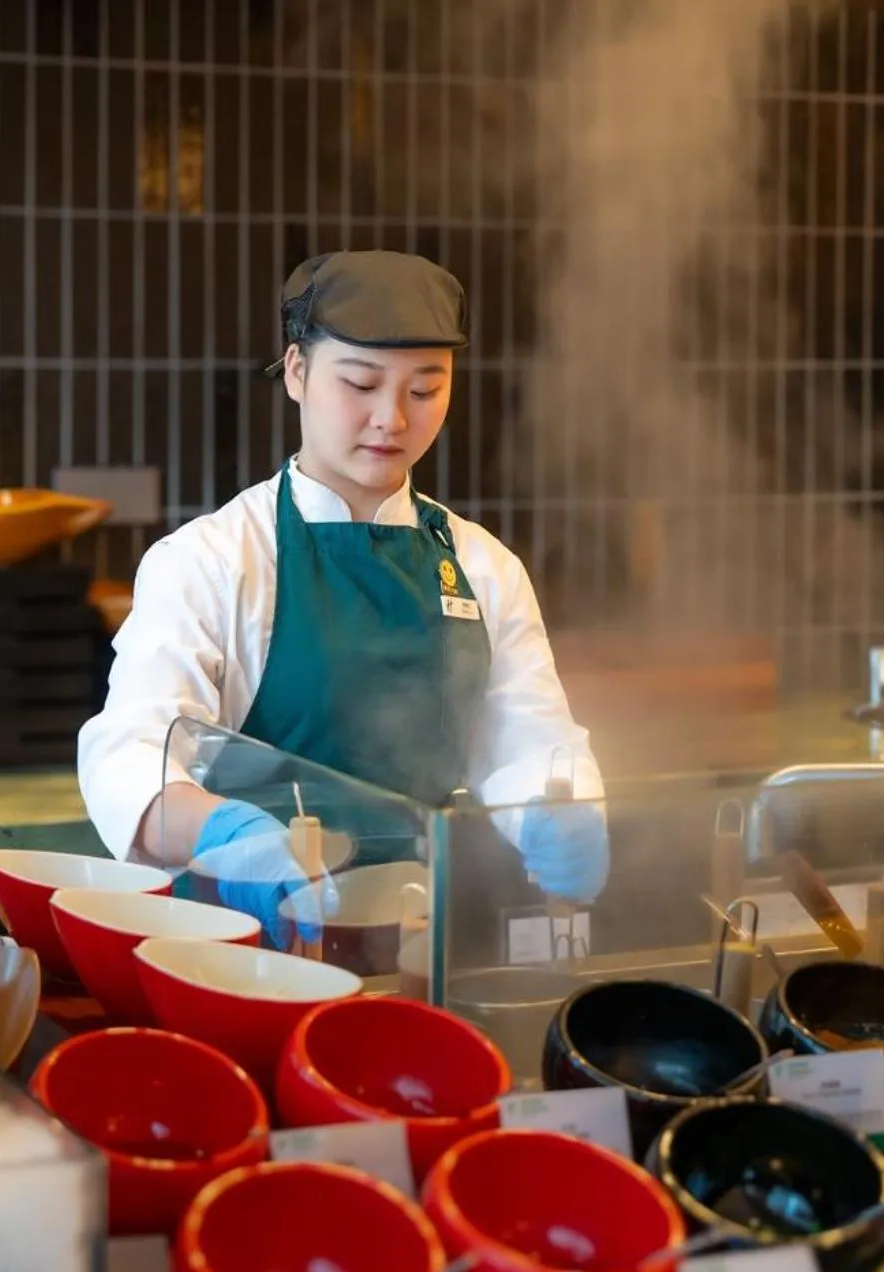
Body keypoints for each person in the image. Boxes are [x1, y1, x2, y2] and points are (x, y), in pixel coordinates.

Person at [77, 250, 609, 947]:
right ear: (296, 372)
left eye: (425, 390)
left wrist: (560, 812)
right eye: (360, 383)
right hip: (248, 944)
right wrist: (224, 833)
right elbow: (130, 750)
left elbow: (530, 743)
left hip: (421, 934)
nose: (390, 418)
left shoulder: (482, 566)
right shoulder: (211, 561)